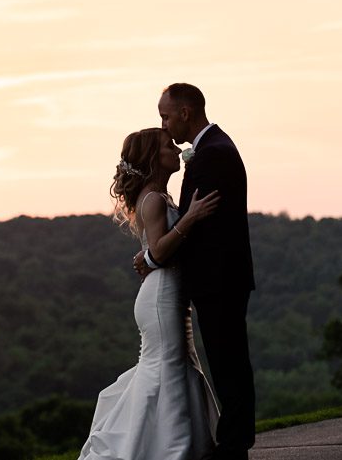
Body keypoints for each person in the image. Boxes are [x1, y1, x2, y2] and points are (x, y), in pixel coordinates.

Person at [77, 127, 220, 460]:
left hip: (170, 296)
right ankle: (172, 450)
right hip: (162, 298)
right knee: (167, 369)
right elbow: (158, 249)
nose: (176, 149)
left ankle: (177, 445)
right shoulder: (154, 198)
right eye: (168, 146)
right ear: (154, 158)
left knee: (174, 366)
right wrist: (192, 218)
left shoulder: (160, 196)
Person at [137, 83, 256, 460]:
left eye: (166, 115)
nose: (164, 123)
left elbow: (198, 227)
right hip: (216, 279)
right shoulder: (213, 149)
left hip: (218, 279)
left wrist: (151, 259)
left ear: (185, 113)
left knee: (228, 363)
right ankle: (230, 442)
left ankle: (234, 446)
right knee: (225, 362)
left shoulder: (211, 155)